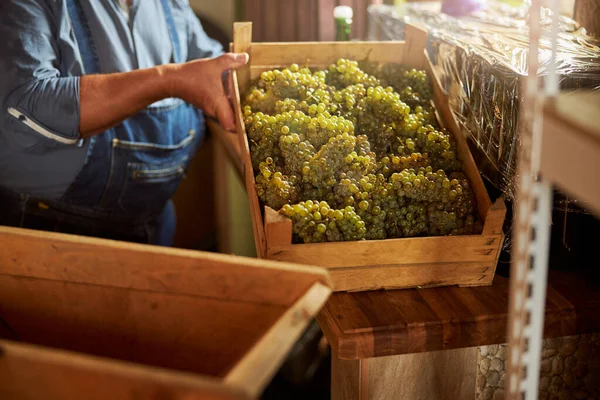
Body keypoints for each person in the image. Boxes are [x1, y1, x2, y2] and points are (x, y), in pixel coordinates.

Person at [0, 0, 249, 246]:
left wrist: (241, 83)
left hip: (152, 225)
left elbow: (213, 66)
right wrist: (169, 80)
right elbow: (27, 107)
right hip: (49, 231)